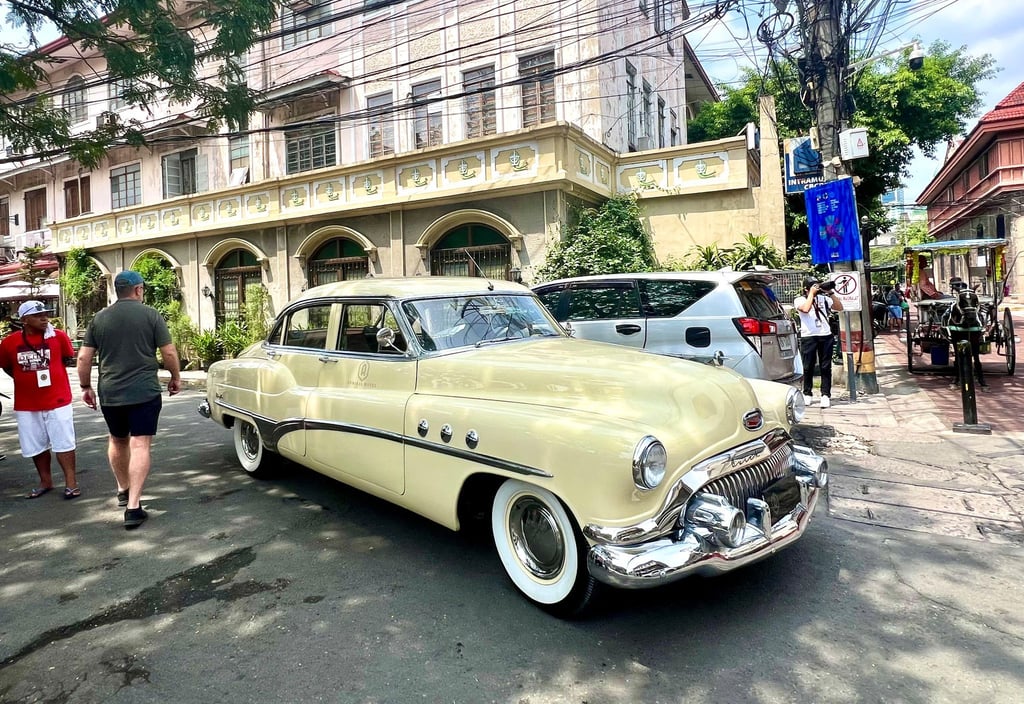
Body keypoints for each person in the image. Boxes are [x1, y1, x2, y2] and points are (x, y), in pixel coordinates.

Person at [76, 271, 181, 529]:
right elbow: (168, 352)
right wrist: (175, 377)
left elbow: (84, 357)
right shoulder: (151, 315)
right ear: (138, 290)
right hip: (144, 391)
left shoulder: (99, 318)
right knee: (140, 444)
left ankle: (123, 489)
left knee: (117, 439)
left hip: (111, 392)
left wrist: (85, 386)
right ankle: (133, 507)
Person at [0, 300, 79, 499]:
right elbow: (7, 366)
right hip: (27, 403)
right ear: (24, 320)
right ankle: (45, 481)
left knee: (64, 442)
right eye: (38, 315)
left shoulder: (58, 336)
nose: (44, 318)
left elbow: (66, 359)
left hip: (58, 400)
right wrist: (24, 378)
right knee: (35, 444)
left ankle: (71, 483)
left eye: (46, 314)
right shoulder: (9, 343)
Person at [794, 277, 843, 409]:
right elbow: (805, 309)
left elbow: (839, 307)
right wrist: (811, 294)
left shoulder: (823, 299)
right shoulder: (799, 300)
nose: (817, 288)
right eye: (813, 286)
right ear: (806, 288)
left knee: (825, 366)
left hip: (825, 335)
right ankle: (807, 393)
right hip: (809, 336)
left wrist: (830, 292)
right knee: (808, 366)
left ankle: (825, 395)